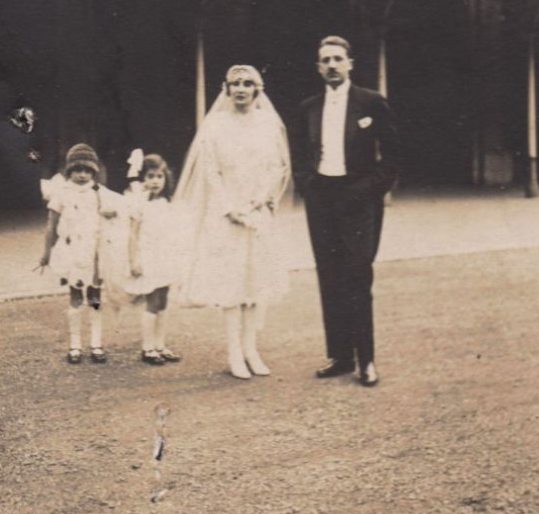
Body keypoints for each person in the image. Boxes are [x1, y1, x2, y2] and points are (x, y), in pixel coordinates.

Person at [294, 37, 400, 387]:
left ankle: (366, 360)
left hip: (358, 199)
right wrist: (308, 184)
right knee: (329, 274)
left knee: (357, 274)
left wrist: (368, 190)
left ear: (350, 63)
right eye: (325, 60)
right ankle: (340, 356)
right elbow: (300, 155)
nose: (332, 65)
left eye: (338, 59)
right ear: (318, 67)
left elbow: (394, 156)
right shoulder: (309, 106)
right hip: (322, 198)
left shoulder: (371, 102)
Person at [175, 65, 291, 379]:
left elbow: (278, 167)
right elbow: (210, 171)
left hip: (257, 212)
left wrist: (262, 199)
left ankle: (251, 349)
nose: (241, 89)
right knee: (232, 285)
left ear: (257, 89)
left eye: (247, 84)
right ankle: (234, 353)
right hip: (226, 215)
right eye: (235, 84)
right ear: (226, 89)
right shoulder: (215, 124)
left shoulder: (268, 123)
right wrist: (230, 207)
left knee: (256, 284)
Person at [38, 143, 126, 365]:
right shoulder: (61, 194)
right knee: (76, 297)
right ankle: (75, 345)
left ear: (93, 172)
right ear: (69, 171)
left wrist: (113, 212)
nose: (82, 175)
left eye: (87, 170)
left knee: (95, 297)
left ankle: (96, 344)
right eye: (77, 170)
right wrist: (46, 252)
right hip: (71, 254)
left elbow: (123, 208)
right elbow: (52, 226)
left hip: (95, 254)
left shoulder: (99, 193)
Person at [122, 153, 183, 366]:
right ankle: (147, 348)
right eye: (150, 176)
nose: (155, 181)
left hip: (165, 257)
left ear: (166, 179)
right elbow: (132, 233)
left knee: (164, 300)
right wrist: (133, 261)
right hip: (148, 258)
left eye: (159, 176)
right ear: (143, 179)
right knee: (153, 301)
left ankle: (160, 344)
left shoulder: (167, 203)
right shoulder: (140, 205)